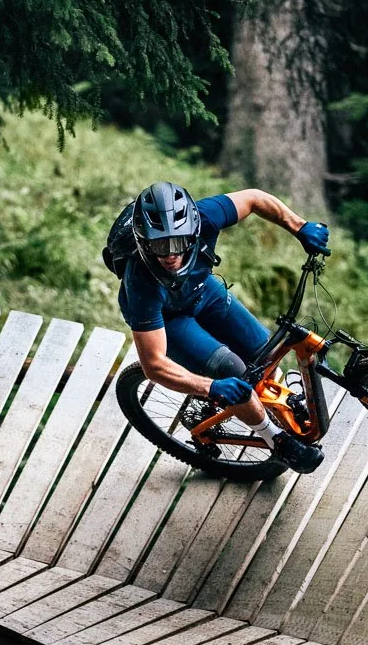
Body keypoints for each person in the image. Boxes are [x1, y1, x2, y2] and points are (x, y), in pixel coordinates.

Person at [116, 181, 330, 471]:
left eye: (178, 242)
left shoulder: (205, 216)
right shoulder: (139, 282)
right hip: (169, 318)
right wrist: (211, 387)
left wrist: (299, 226)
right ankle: (275, 439)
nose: (169, 255)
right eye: (158, 245)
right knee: (232, 369)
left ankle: (276, 400)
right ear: (143, 242)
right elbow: (154, 365)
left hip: (203, 290)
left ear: (193, 230)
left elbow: (254, 198)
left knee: (264, 352)